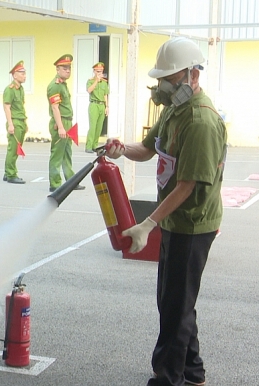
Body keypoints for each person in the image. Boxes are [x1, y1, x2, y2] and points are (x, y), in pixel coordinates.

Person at [104, 37, 227, 386]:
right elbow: (147, 149)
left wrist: (147, 223)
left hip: (193, 223)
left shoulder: (201, 122)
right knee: (175, 298)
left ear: (192, 75)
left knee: (175, 304)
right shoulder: (174, 110)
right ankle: (192, 370)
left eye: (169, 78)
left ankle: (168, 376)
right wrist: (120, 148)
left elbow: (187, 186)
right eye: (162, 79)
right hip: (173, 219)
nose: (163, 86)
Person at [47, 54, 84, 193]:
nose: (68, 70)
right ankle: (55, 183)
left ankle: (70, 180)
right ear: (57, 69)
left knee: (67, 153)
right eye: (64, 68)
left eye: (69, 68)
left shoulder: (62, 84)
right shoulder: (55, 86)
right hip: (60, 123)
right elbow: (55, 107)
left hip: (67, 122)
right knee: (57, 154)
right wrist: (61, 127)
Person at [2, 60, 27, 184]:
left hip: (21, 121)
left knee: (16, 149)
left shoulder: (20, 89)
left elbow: (21, 107)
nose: (24, 75)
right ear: (14, 75)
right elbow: (7, 107)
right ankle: (11, 174)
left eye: (24, 73)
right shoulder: (10, 89)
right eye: (22, 73)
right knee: (13, 149)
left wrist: (25, 123)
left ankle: (8, 172)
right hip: (15, 122)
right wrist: (10, 124)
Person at [85, 62, 109, 153]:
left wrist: (107, 107)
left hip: (101, 105)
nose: (99, 73)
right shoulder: (90, 81)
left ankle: (95, 146)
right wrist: (96, 81)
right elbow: (89, 90)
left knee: (99, 127)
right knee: (93, 126)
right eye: (98, 71)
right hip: (94, 104)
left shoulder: (104, 83)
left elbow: (105, 95)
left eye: (101, 71)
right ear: (94, 71)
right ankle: (89, 146)